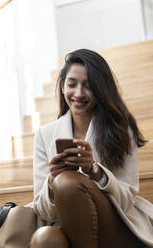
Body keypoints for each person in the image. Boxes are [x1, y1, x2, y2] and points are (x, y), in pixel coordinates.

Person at [29, 49, 153, 248]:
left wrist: (94, 170)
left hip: (116, 225)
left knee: (69, 182)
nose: (78, 93)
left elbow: (127, 200)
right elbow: (43, 211)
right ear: (62, 87)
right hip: (70, 226)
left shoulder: (120, 128)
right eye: (72, 84)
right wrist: (52, 180)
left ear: (101, 89)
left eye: (88, 86)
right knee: (45, 240)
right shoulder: (44, 135)